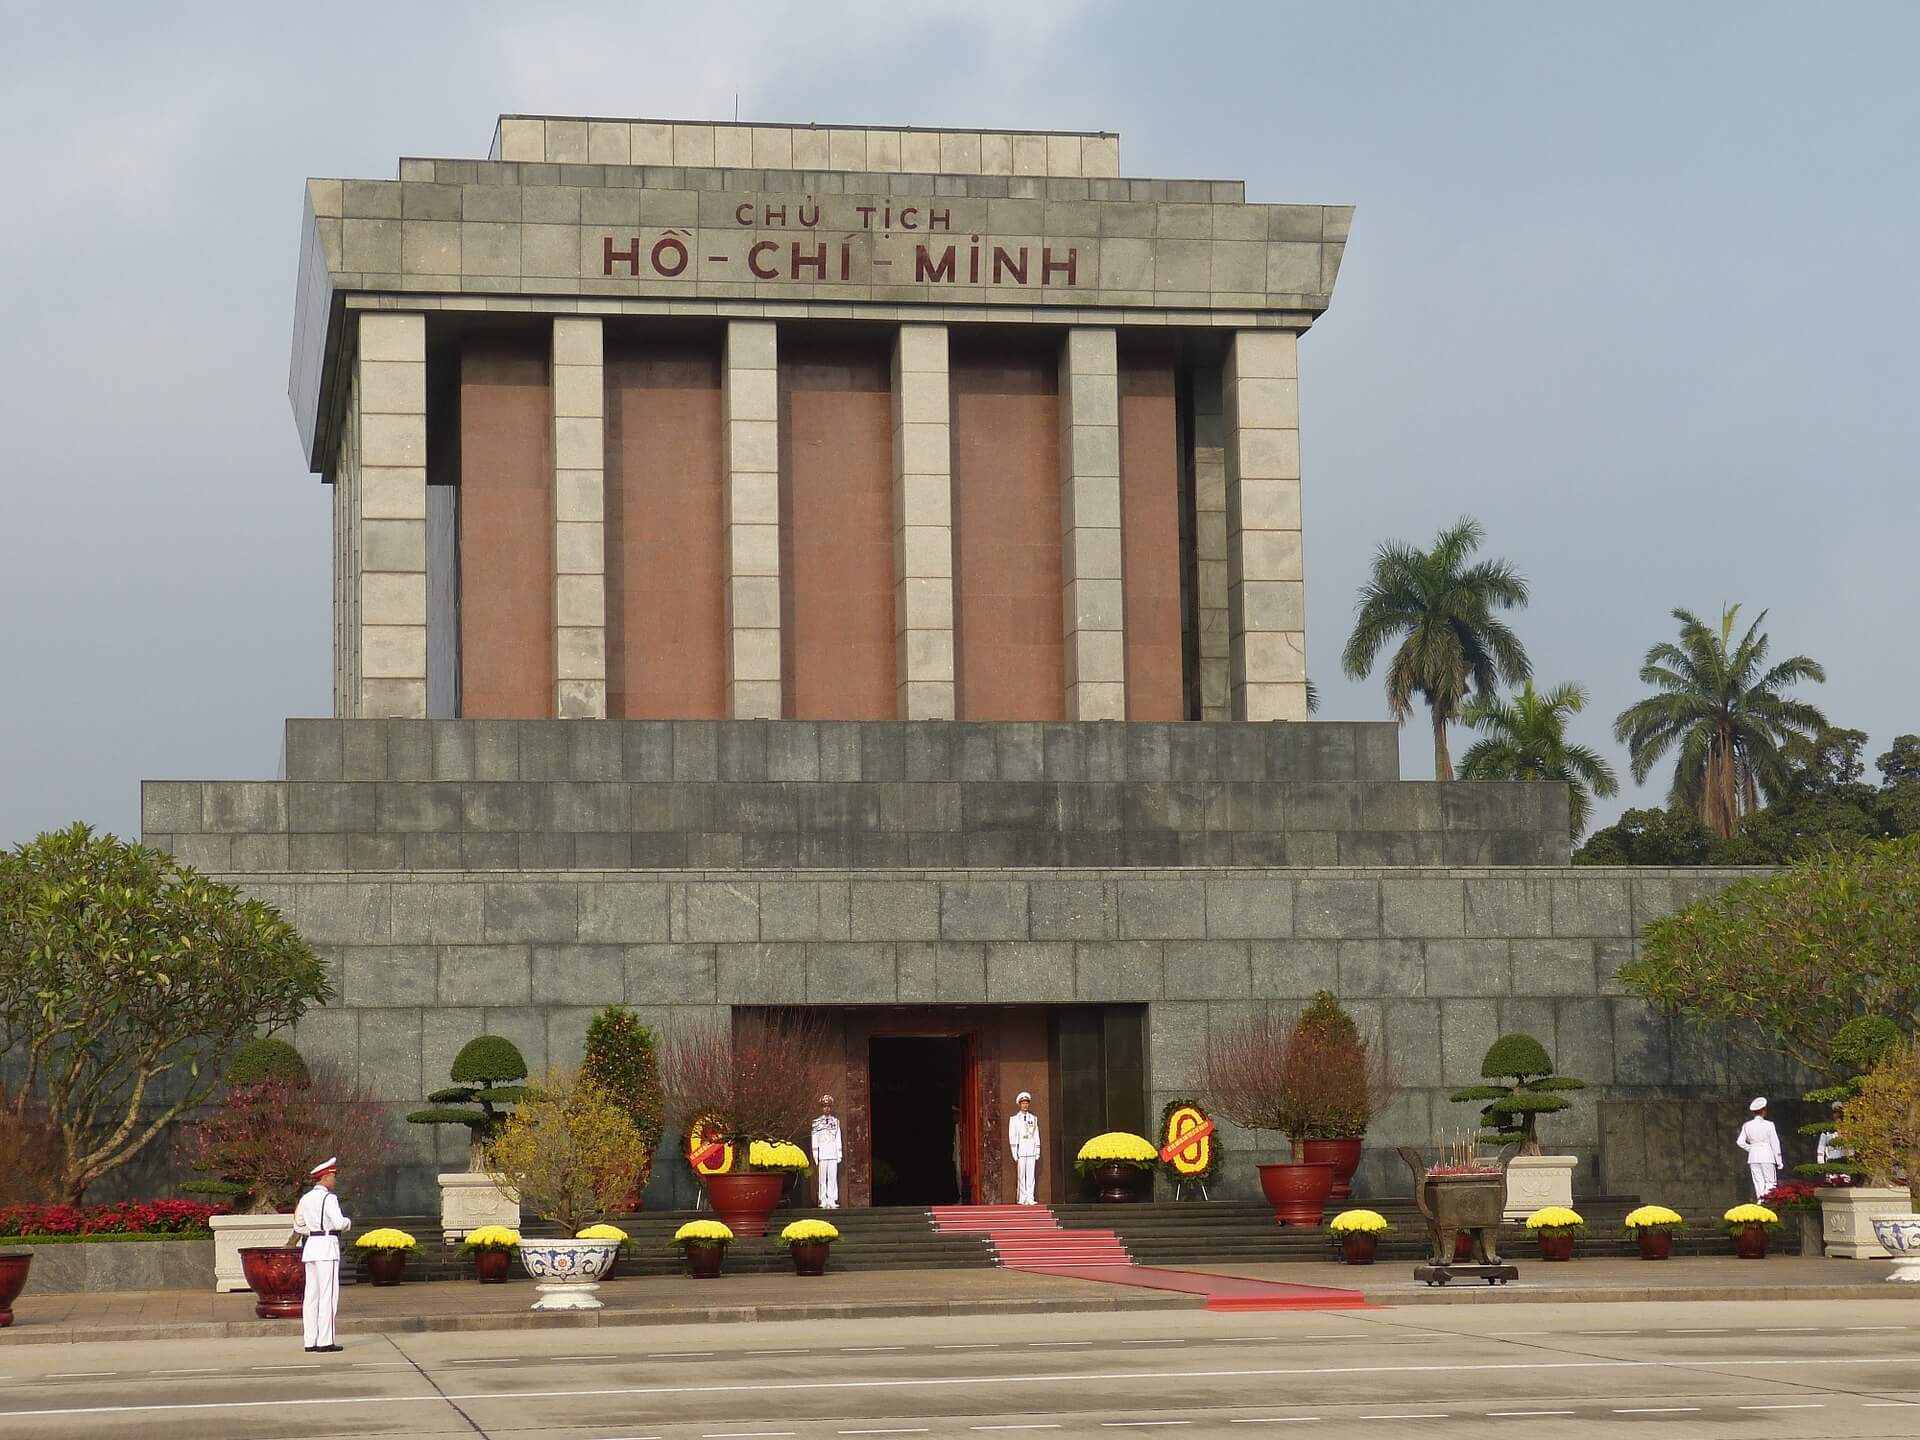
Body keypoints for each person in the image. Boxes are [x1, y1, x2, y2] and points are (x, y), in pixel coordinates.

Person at [292, 1156, 351, 1353]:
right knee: (328, 1295)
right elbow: (339, 1223)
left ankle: (310, 1340)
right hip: (327, 1246)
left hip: (311, 1247)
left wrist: (312, 1230)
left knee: (311, 1296)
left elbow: (298, 1224)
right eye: (332, 1176)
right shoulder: (329, 1198)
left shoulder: (305, 1199)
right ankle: (325, 1340)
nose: (334, 1180)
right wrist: (347, 1222)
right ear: (325, 1177)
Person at [1737, 1097, 1783, 1201]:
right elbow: (1775, 1143)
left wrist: (1752, 1148)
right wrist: (1779, 1160)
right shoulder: (1769, 1125)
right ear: (1763, 1110)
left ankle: (1761, 1202)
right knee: (1770, 1182)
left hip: (1753, 1157)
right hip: (1767, 1155)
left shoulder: (1747, 1125)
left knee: (1758, 1182)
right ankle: (1768, 1202)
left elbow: (1740, 1142)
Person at [1008, 1091, 1041, 1205]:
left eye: (1027, 1103)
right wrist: (1014, 1152)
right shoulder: (1014, 1119)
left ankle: (1030, 1197)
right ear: (1019, 1104)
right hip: (1021, 1150)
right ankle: (1022, 1197)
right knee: (1021, 1175)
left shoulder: (1034, 1118)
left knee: (1031, 1175)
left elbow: (1036, 1134)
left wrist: (1037, 1150)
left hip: (1031, 1149)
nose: (1025, 1105)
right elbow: (1013, 1136)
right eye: (1023, 1103)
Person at [810, 1095, 842, 1209]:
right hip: (822, 1153)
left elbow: (838, 1138)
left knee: (833, 1177)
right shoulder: (816, 1122)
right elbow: (815, 1139)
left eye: (828, 1106)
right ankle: (823, 1199)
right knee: (822, 1178)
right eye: (824, 1106)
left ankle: (832, 1198)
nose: (826, 1109)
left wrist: (839, 1153)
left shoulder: (836, 1122)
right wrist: (815, 1154)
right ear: (821, 1108)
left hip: (832, 1152)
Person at [1816, 1100, 1853, 1183]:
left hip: (1844, 1162)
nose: (1837, 1115)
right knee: (1832, 1183)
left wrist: (1851, 1157)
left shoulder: (1848, 1129)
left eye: (1839, 1113)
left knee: (1845, 1183)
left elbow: (1851, 1146)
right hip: (1831, 1161)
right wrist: (1821, 1163)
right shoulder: (1827, 1130)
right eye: (1835, 1113)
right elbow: (1821, 1147)